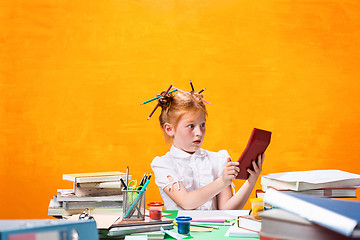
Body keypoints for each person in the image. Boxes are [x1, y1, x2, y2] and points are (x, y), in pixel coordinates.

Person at [150, 88, 264, 210]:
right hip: (180, 229)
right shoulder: (163, 164)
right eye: (191, 126)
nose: (199, 132)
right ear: (169, 129)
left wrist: (251, 180)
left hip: (216, 228)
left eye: (202, 125)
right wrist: (222, 181)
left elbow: (227, 210)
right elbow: (187, 202)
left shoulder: (217, 159)